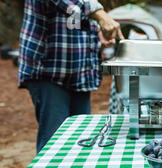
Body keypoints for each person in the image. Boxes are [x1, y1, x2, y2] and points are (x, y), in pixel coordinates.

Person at [18, 0, 124, 153]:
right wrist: (101, 15)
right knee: (55, 148)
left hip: (79, 74)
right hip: (49, 72)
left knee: (80, 144)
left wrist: (96, 32)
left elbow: (73, 18)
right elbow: (70, 4)